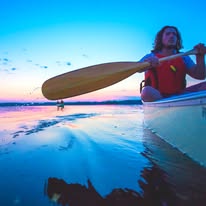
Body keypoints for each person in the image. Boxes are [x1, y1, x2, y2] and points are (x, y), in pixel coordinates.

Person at [140, 25, 206, 102]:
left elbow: (200, 76)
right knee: (146, 91)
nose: (172, 36)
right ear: (161, 39)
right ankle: (166, 107)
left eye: (174, 34)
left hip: (179, 96)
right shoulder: (150, 56)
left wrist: (200, 58)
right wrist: (147, 64)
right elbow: (138, 69)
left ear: (177, 39)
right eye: (168, 34)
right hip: (157, 97)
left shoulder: (184, 57)